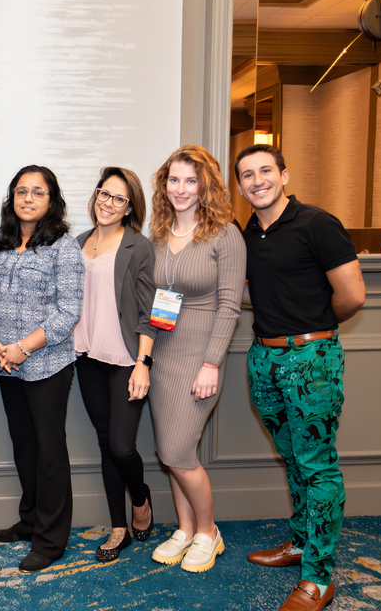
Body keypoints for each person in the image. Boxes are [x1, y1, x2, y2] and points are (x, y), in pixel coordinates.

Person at [235, 144, 365, 611]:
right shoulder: (247, 234)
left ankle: (319, 576)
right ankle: (301, 543)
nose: (257, 181)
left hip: (312, 360)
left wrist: (311, 332)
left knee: (317, 465)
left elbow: (352, 296)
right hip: (263, 358)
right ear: (240, 186)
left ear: (284, 175)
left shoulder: (318, 224)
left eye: (265, 170)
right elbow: (254, 292)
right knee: (292, 457)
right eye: (247, 175)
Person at [0, 165, 84, 573]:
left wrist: (23, 348)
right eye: (21, 191)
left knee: (49, 451)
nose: (28, 198)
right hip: (3, 361)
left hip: (47, 363)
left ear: (51, 200)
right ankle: (30, 521)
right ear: (12, 197)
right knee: (25, 445)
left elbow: (68, 311)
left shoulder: (64, 246)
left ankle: (51, 540)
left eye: (38, 192)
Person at [146, 145, 246, 573]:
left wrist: (211, 363)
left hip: (200, 356)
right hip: (163, 354)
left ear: (206, 186)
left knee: (179, 451)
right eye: (174, 179)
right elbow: (155, 303)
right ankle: (185, 529)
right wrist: (144, 359)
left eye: (191, 180)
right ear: (164, 184)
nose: (181, 189)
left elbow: (230, 306)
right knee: (170, 454)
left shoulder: (225, 234)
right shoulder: (158, 234)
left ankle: (208, 531)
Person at [73, 167, 157, 562]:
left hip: (125, 357)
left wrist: (143, 363)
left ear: (129, 208)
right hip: (86, 356)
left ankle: (141, 499)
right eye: (103, 193)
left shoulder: (139, 247)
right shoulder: (78, 242)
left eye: (118, 198)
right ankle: (118, 527)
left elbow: (149, 312)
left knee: (123, 447)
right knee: (106, 444)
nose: (107, 203)